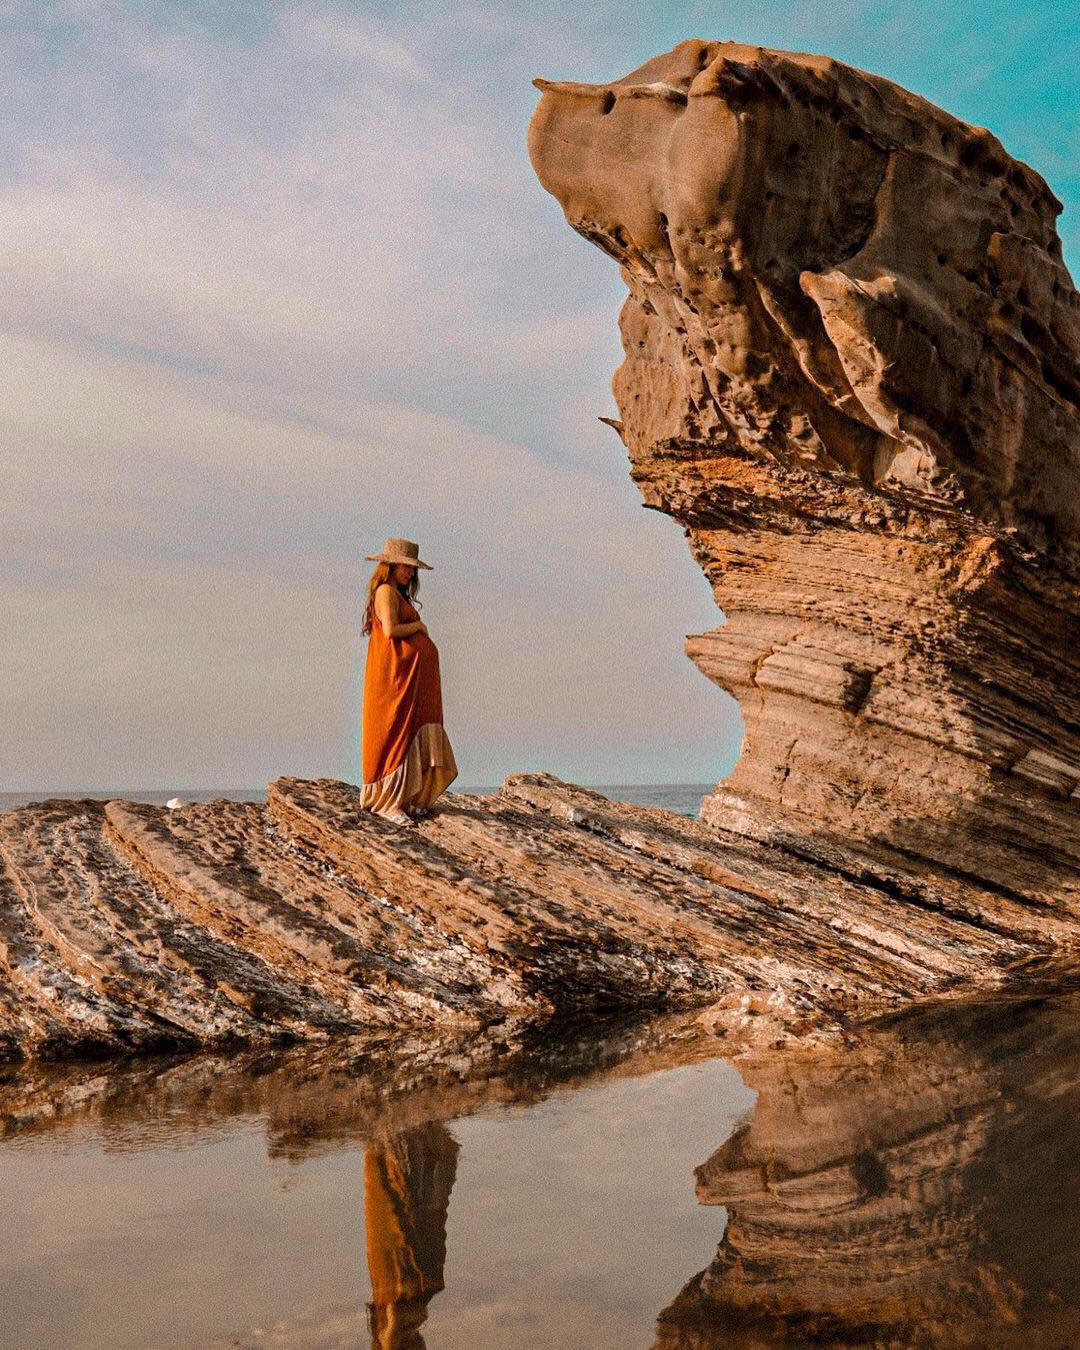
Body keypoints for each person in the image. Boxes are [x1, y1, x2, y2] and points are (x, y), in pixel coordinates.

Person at [359, 537, 458, 826]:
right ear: (390, 565)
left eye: (413, 569)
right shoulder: (385, 591)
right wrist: (419, 626)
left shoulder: (397, 594)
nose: (410, 573)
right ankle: (388, 802)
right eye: (406, 567)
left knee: (410, 731)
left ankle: (405, 797)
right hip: (394, 678)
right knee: (394, 733)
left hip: (408, 679)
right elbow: (391, 630)